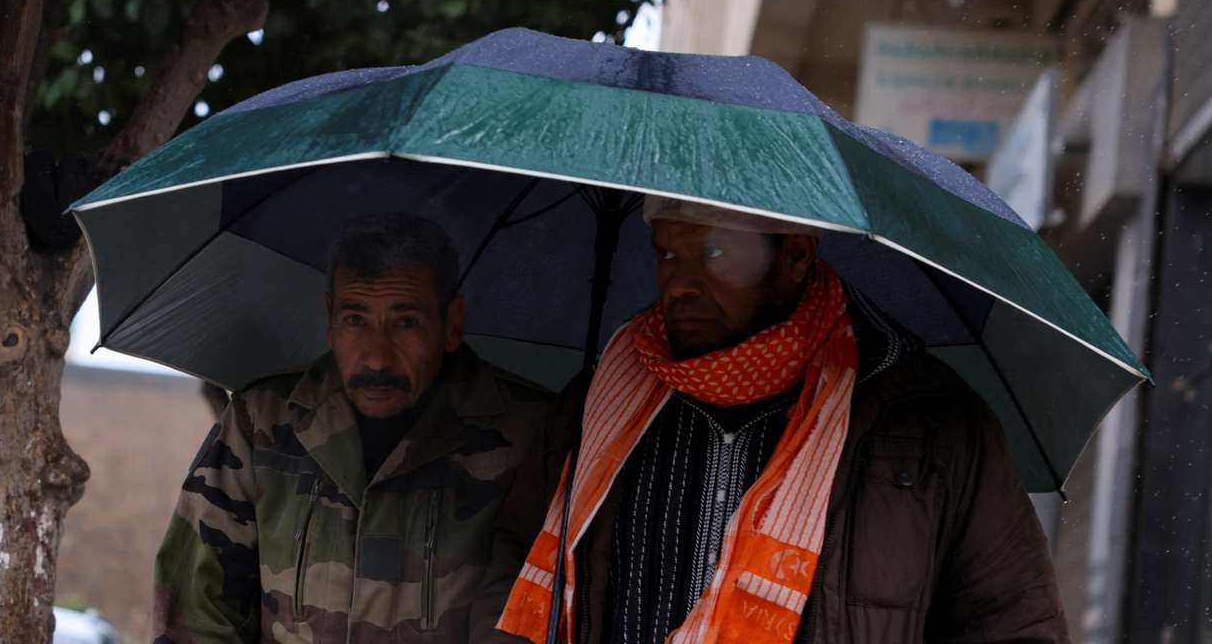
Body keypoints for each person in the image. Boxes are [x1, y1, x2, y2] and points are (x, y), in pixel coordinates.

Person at [479, 196, 1068, 644]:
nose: (680, 284)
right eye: (666, 253)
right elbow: (512, 573)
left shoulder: (926, 421)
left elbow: (1012, 622)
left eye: (713, 253)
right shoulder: (600, 402)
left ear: (795, 257)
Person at [153, 213, 552, 643]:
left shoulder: (530, 433)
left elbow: (544, 609)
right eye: (355, 319)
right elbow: (197, 609)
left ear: (451, 323)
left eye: (406, 322)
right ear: (330, 317)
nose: (377, 358)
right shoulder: (263, 421)